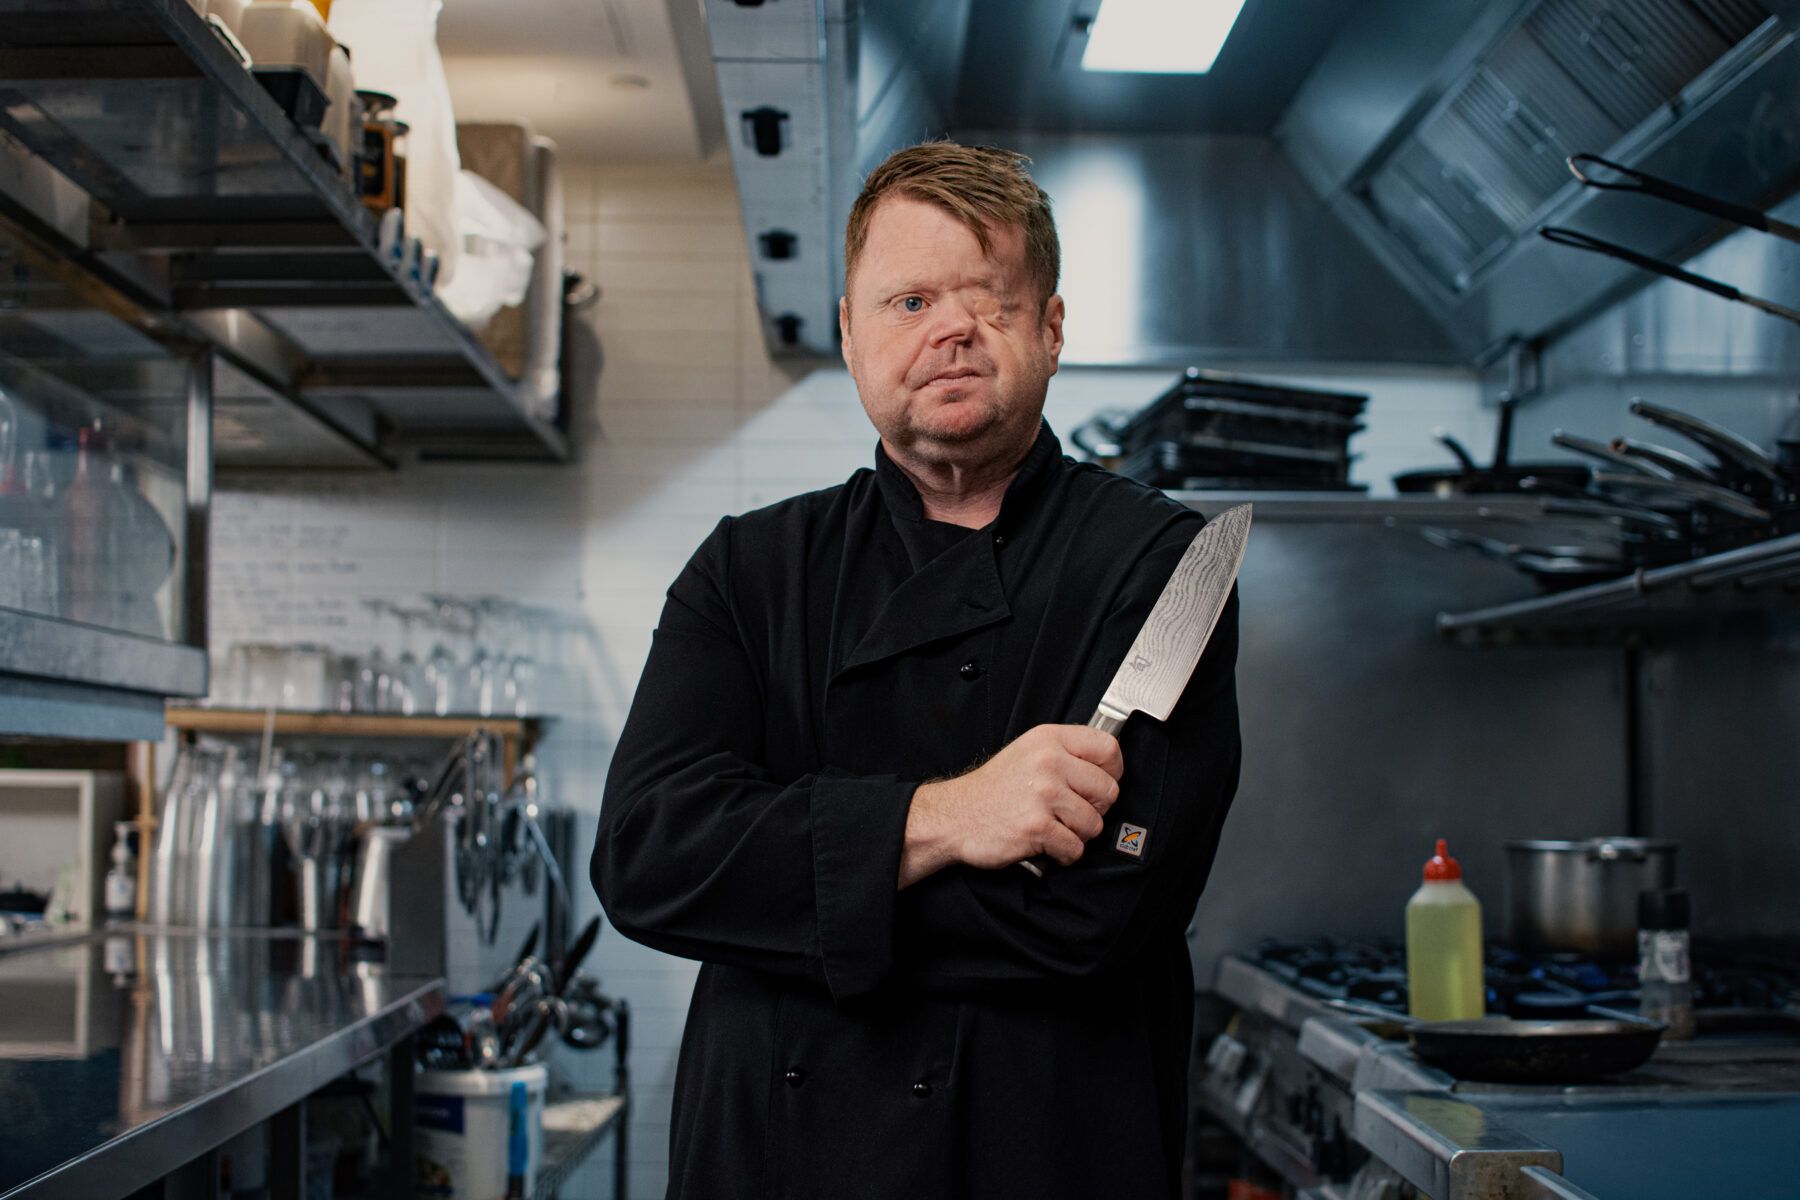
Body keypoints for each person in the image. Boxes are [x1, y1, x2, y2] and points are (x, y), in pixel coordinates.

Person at [591, 141, 1241, 1199]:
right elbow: (646, 859)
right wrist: (942, 822)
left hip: (1042, 1156)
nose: (948, 329)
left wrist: (786, 907)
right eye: (906, 301)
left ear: (1053, 328)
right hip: (776, 1161)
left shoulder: (1156, 564)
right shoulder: (748, 570)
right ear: (850, 335)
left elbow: (1096, 919)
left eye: (989, 299)